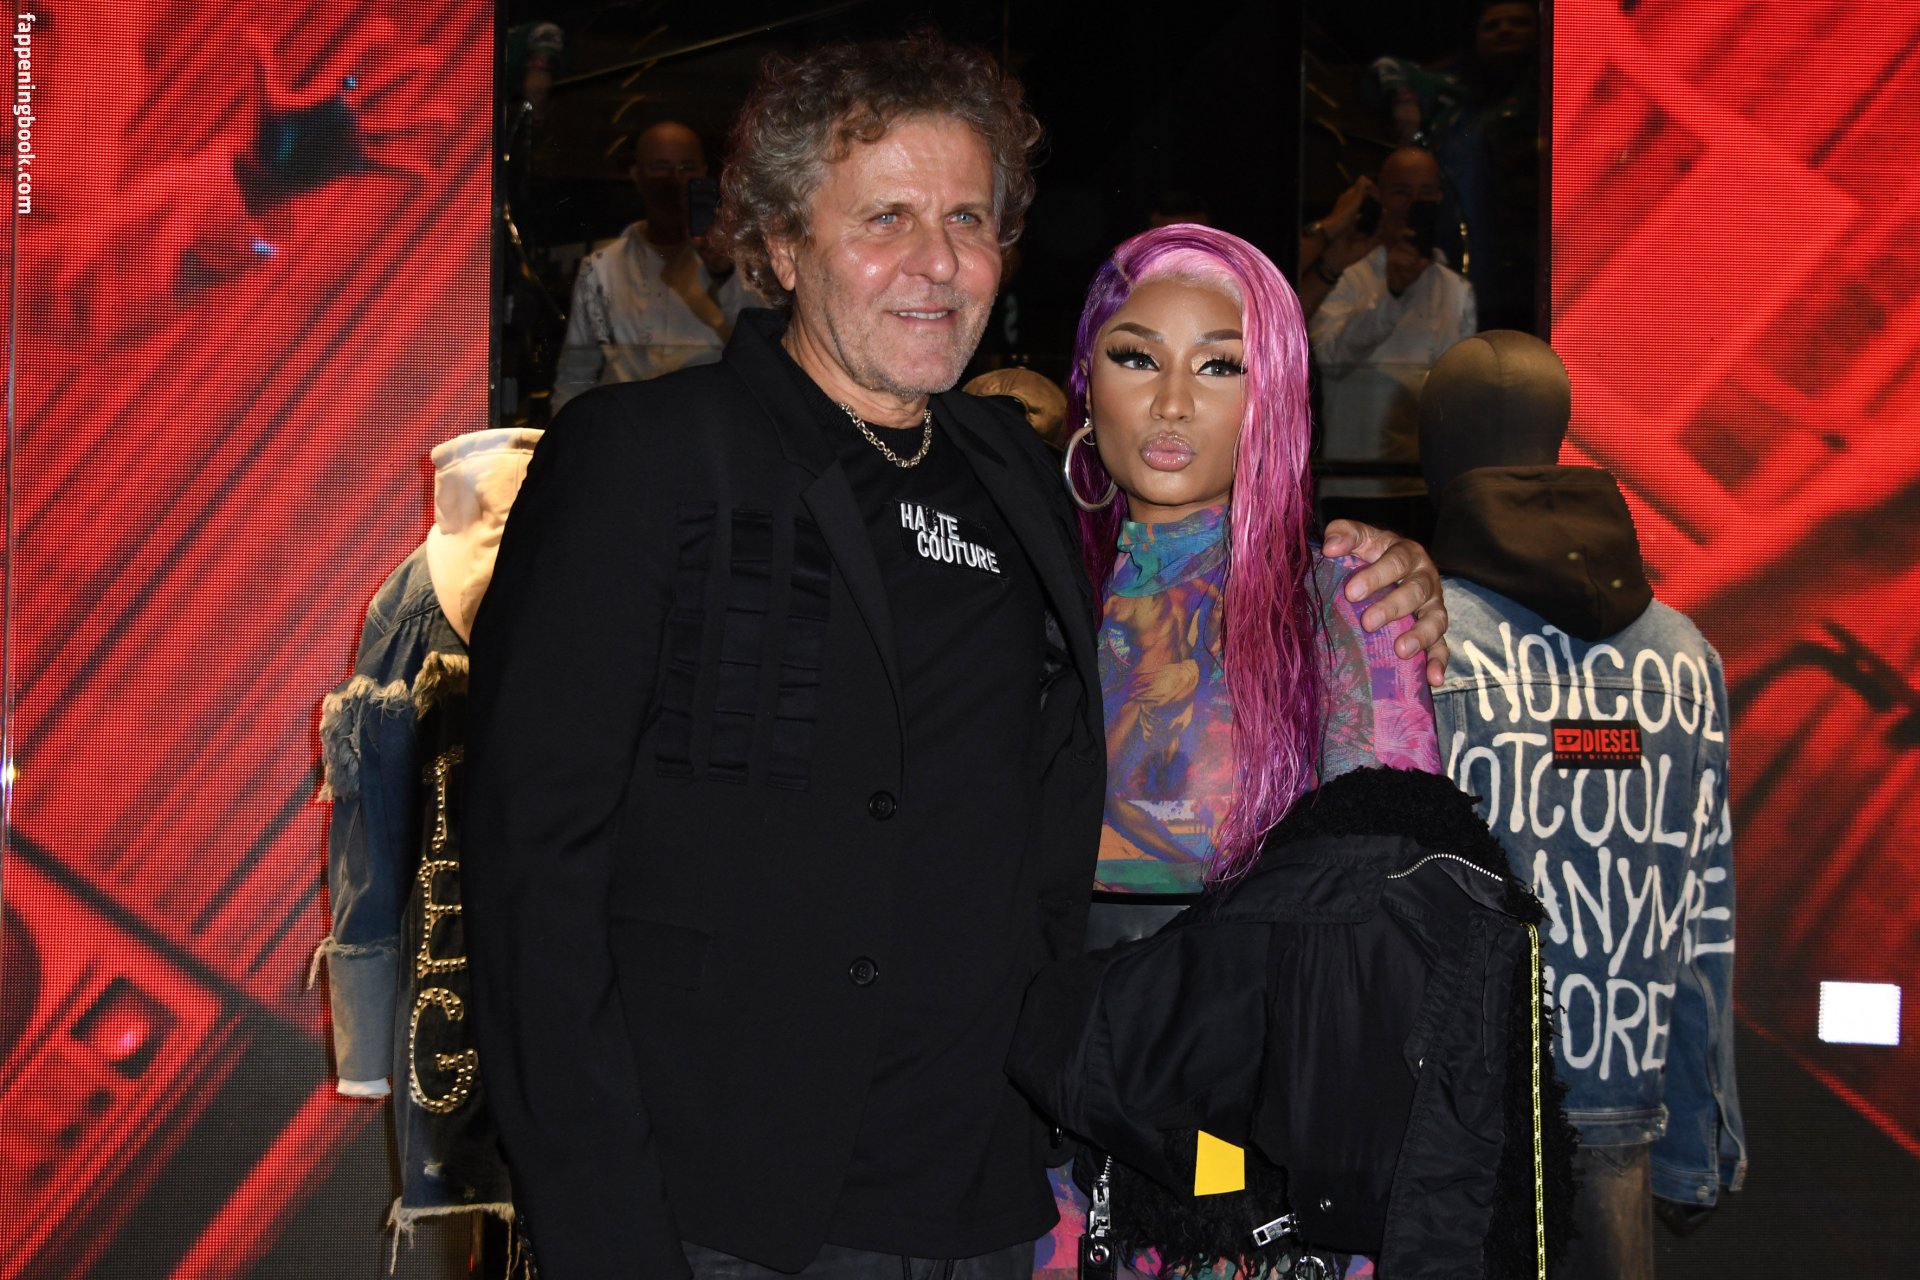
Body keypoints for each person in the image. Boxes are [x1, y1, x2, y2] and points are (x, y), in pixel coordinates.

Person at [462, 33, 1446, 1280]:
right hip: (728, 1210)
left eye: (969, 220)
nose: (936, 261)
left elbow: (1182, 573)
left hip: (994, 1201)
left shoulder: (1016, 484)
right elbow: (531, 876)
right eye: (886, 217)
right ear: (781, 241)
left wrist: (1388, 573)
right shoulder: (643, 457)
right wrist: (602, 1229)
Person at [1032, 223, 1445, 1279]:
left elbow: (1390, 947)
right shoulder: (1018, 595)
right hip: (1034, 1139)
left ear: (1276, 398)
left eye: (1220, 366)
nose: (1172, 403)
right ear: (1087, 382)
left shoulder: (1347, 610)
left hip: (1245, 1156)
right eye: (1137, 356)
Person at [1421, 332, 1745, 1280]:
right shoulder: (1684, 657)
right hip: (1617, 1123)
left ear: (1436, 453)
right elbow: (1701, 926)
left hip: (1453, 1119)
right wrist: (1698, 1138)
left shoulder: (1415, 637)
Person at [549, 121, 758, 408]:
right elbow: (574, 376)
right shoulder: (602, 268)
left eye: (686, 167)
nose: (674, 180)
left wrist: (722, 272)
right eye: (660, 167)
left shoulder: (735, 262)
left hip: (709, 419)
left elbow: (760, 339)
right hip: (625, 422)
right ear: (637, 176)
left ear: (702, 174)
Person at [1309, 147, 1477, 498]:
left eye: (1425, 194)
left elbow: (1460, 393)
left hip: (1427, 484)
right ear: (1381, 198)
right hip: (1355, 482)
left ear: (1439, 199)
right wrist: (1392, 295)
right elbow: (1329, 358)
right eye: (1402, 192)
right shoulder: (1345, 274)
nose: (1412, 204)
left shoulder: (1456, 289)